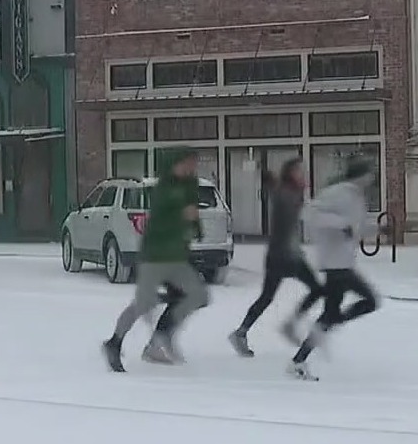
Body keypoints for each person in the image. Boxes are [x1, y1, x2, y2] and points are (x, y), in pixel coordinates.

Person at [102, 148, 209, 372]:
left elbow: (192, 214)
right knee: (144, 304)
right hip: (155, 256)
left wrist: (195, 227)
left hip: (177, 256)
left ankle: (160, 338)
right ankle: (114, 343)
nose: (191, 168)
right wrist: (182, 217)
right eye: (187, 163)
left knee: (198, 295)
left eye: (193, 164)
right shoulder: (165, 188)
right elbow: (159, 222)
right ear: (175, 164)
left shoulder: (189, 186)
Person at [287, 156, 385, 381]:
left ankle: (299, 359)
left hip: (342, 263)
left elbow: (355, 227)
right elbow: (310, 213)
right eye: (369, 173)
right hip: (335, 264)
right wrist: (341, 226)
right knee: (370, 301)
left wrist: (377, 230)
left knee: (330, 314)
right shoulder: (339, 192)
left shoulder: (356, 196)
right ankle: (317, 340)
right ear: (361, 174)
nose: (372, 178)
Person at [228, 157, 325, 357]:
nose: (303, 175)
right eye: (299, 171)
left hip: (282, 255)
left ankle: (242, 331)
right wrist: (270, 181)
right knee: (314, 290)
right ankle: (288, 324)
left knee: (268, 297)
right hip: (284, 256)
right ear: (290, 174)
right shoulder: (286, 194)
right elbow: (280, 198)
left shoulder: (292, 194)